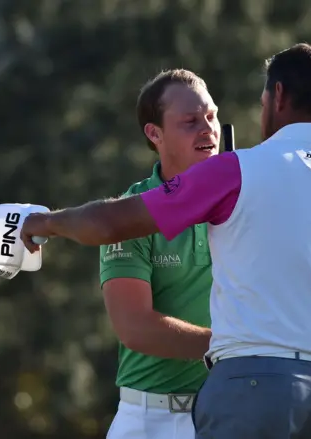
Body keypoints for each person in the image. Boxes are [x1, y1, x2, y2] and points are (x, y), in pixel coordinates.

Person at [20, 43, 311, 439]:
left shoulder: (235, 171)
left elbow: (109, 224)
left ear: (277, 95)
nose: (210, 128)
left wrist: (44, 223)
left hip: (250, 391)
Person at [99, 69, 220, 439]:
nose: (208, 130)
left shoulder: (246, 205)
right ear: (155, 134)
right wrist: (234, 348)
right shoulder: (130, 213)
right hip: (150, 421)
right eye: (190, 122)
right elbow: (135, 328)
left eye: (211, 116)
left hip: (227, 413)